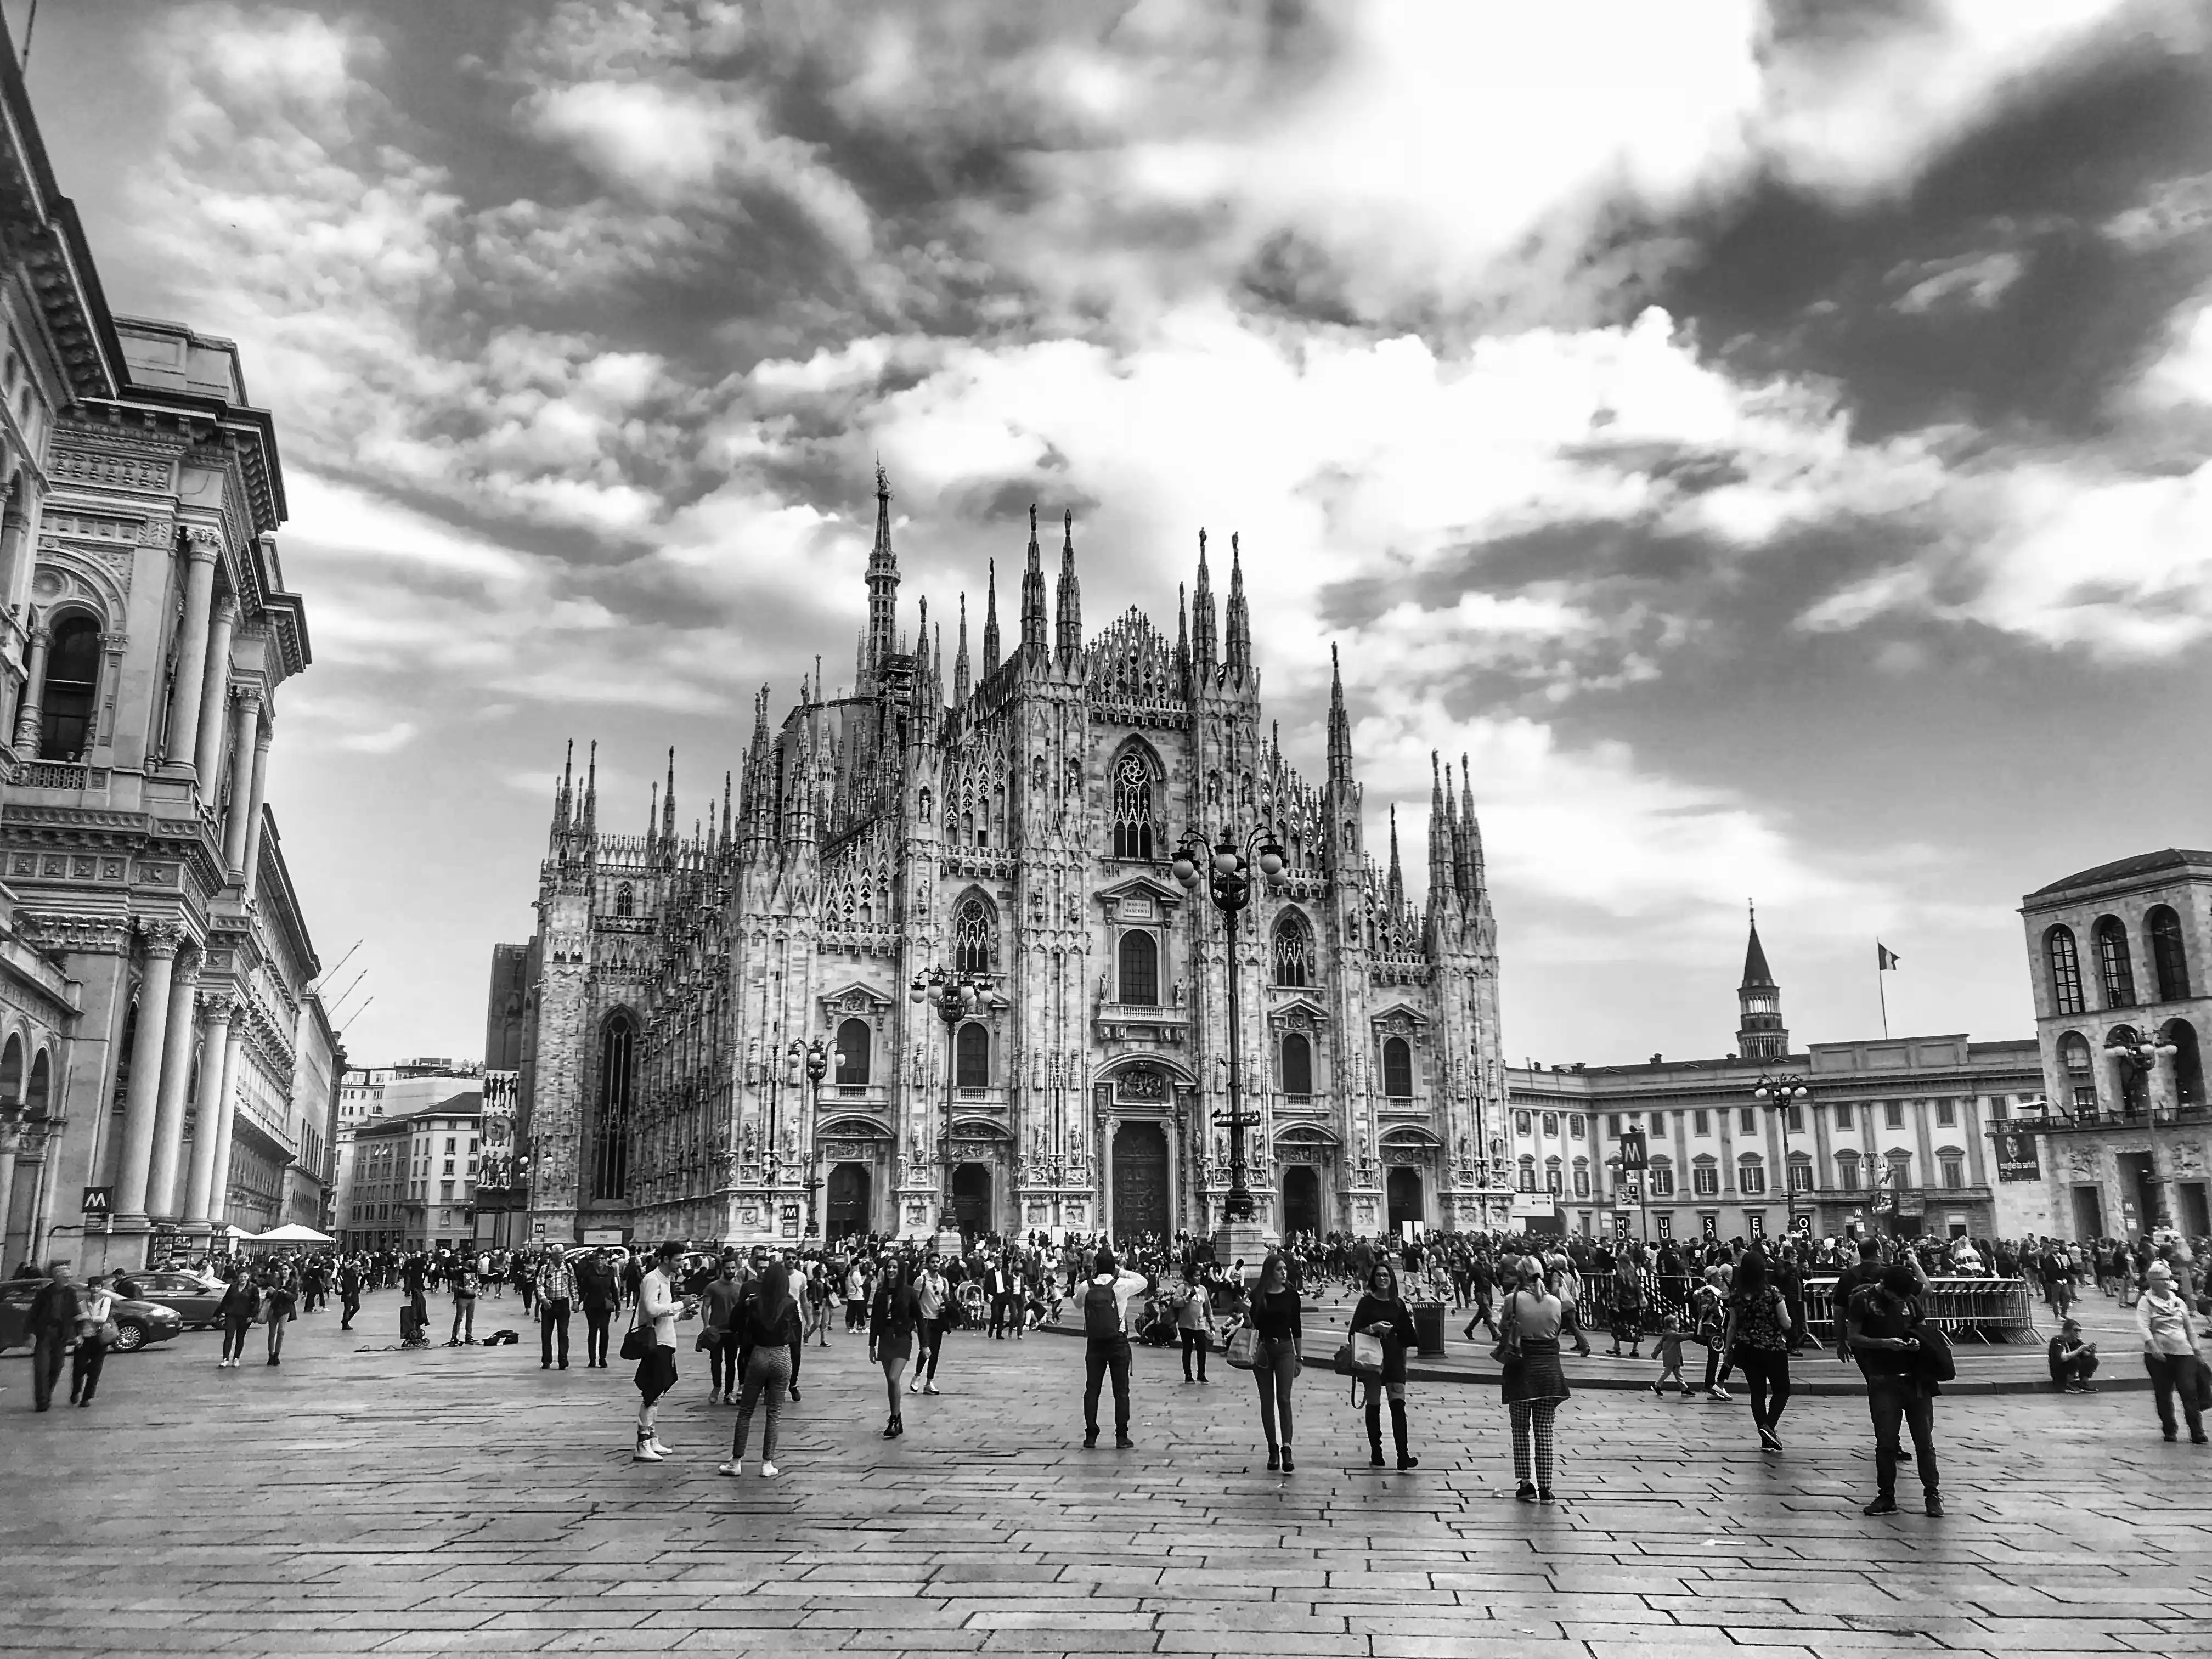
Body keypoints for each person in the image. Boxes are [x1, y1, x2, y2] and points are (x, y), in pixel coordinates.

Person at [1845, 1262, 1943, 1515]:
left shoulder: (1908, 1298)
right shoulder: (1862, 1300)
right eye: (1898, 1296)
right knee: (1886, 1442)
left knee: (1925, 1441)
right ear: (1886, 1289)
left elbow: (1919, 1327)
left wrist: (1914, 1343)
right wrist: (1884, 1344)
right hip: (1883, 1378)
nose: (1903, 1300)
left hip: (1915, 1378)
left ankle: (1932, 1494)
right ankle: (1886, 1496)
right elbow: (1853, 1337)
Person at [721, 1258, 803, 1479]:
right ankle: (767, 1463)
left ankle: (736, 1461)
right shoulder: (790, 1303)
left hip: (759, 1355)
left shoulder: (754, 1302)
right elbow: (796, 1338)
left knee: (746, 1411)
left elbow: (734, 1322)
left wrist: (744, 1308)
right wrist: (794, 1371)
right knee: (774, 1414)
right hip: (782, 1356)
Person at [1498, 1256, 1570, 1502]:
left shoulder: (1513, 1300)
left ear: (1521, 1277)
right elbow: (1556, 1331)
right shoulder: (1555, 1302)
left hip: (1521, 1368)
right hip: (1549, 1370)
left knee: (1520, 1429)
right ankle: (1547, 1488)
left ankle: (1526, 1483)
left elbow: (1502, 1329)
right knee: (1544, 1431)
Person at [1722, 1250, 1796, 1452]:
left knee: (1757, 1393)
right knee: (1782, 1389)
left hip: (1746, 1348)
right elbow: (1786, 1322)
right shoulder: (1772, 1293)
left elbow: (1732, 1325)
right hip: (1772, 1347)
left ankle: (1765, 1438)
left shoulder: (1736, 1295)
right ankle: (1769, 1426)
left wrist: (1729, 1349)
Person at [630, 1241, 697, 1462]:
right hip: (656, 1344)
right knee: (652, 1393)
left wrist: (682, 1315)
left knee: (658, 1393)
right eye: (678, 1259)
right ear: (666, 1259)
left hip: (666, 1342)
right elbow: (651, 1309)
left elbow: (662, 1315)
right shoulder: (652, 1279)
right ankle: (642, 1443)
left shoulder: (666, 1280)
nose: (681, 1263)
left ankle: (651, 1437)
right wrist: (680, 1304)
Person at [1351, 1260, 1420, 1472]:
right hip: (1371, 1357)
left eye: (1386, 1275)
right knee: (1373, 1405)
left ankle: (1403, 1455)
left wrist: (1405, 1364)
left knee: (1398, 1406)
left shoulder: (1398, 1304)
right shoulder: (1367, 1303)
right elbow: (1353, 1332)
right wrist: (1374, 1328)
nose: (1383, 1278)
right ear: (1374, 1279)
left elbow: (1407, 1337)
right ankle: (1377, 1451)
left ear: (1392, 1279)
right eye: (1379, 1275)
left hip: (1394, 1357)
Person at [1079, 1246, 1150, 1449]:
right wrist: (1122, 1271)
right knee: (1121, 1391)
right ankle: (1121, 1436)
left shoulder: (1086, 1286)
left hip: (1095, 1343)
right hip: (1118, 1342)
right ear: (1113, 1268)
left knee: (1092, 1389)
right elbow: (1143, 1281)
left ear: (1095, 1267)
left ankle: (1091, 1436)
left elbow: (1077, 1304)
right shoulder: (1121, 1285)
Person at [1242, 1255, 1302, 1471]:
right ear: (1270, 1272)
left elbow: (1297, 1326)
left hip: (1286, 1349)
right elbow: (1252, 1325)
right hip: (1263, 1351)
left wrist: (1299, 1357)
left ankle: (1287, 1449)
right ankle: (1273, 1450)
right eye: (1279, 1270)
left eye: (1285, 1269)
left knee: (1284, 1399)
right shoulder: (1258, 1295)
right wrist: (1244, 1312)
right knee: (1267, 1401)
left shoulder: (1293, 1295)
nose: (1284, 1273)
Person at [2135, 1260, 2206, 1442]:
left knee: (2189, 1392)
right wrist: (2154, 1348)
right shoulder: (2146, 1301)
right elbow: (2143, 1327)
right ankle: (2170, 1428)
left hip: (2184, 1353)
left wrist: (2196, 1349)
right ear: (2153, 1281)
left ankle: (2197, 1431)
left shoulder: (2178, 1301)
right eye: (2163, 1279)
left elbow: (2189, 1328)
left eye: (2168, 1279)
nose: (2167, 1282)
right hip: (2158, 1355)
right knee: (2164, 1393)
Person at [869, 1257, 921, 1437]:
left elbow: (920, 1319)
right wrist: (871, 1345)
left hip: (902, 1339)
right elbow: (875, 1319)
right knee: (892, 1383)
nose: (891, 1270)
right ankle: (896, 1418)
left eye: (895, 1267)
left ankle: (894, 1419)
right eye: (889, 1267)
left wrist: (925, 1344)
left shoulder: (908, 1292)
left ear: (900, 1271)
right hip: (885, 1338)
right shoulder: (881, 1292)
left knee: (893, 1378)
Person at [24, 1261, 79, 1410]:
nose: (69, 1279)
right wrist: (29, 1334)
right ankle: (42, 1402)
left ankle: (47, 1394)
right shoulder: (44, 1294)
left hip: (61, 1336)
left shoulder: (71, 1294)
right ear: (57, 1277)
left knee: (56, 1367)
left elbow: (76, 1314)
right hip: (45, 1334)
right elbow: (33, 1314)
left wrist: (77, 1334)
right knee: (42, 1368)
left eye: (70, 1277)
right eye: (66, 1277)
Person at [700, 1257, 746, 1405]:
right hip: (716, 1330)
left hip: (732, 1331)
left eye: (733, 1268)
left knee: (731, 1363)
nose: (731, 1271)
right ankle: (716, 1387)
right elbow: (706, 1306)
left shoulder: (740, 1288)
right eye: (728, 1268)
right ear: (722, 1269)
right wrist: (706, 1325)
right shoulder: (712, 1287)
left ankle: (728, 1393)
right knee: (716, 1361)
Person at [70, 1272, 117, 1407]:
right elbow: (76, 1321)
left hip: (100, 1338)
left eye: (98, 1287)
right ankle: (76, 1392)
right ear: (89, 1288)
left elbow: (103, 1318)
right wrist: (77, 1336)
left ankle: (86, 1398)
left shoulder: (105, 1301)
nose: (95, 1290)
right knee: (78, 1368)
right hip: (84, 1339)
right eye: (93, 1287)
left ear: (102, 1288)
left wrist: (87, 1317)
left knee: (95, 1370)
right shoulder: (82, 1303)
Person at [911, 1256, 949, 1396]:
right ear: (928, 1264)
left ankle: (929, 1382)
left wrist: (945, 1307)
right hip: (924, 1320)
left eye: (937, 1262)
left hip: (937, 1320)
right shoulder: (921, 1280)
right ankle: (917, 1375)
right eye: (933, 1262)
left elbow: (946, 1299)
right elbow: (915, 1302)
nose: (935, 1264)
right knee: (925, 1350)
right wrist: (914, 1321)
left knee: (935, 1353)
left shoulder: (943, 1281)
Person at [575, 1248, 618, 1369]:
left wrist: (618, 1305)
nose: (600, 1261)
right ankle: (592, 1359)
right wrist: (578, 1303)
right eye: (598, 1258)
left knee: (604, 1331)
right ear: (593, 1261)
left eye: (602, 1258)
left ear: (606, 1261)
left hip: (605, 1305)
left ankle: (603, 1358)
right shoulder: (588, 1272)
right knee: (593, 1331)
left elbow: (613, 1289)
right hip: (592, 1305)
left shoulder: (610, 1271)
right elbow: (583, 1289)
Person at [536, 1245, 577, 1370]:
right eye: (559, 1253)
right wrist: (543, 1299)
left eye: (562, 1253)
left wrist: (575, 1301)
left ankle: (563, 1360)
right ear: (553, 1255)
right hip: (549, 1304)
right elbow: (539, 1285)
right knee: (546, 1334)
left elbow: (573, 1285)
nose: (562, 1255)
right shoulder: (546, 1268)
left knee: (563, 1333)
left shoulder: (569, 1268)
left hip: (563, 1303)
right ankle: (547, 1360)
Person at [1173, 1270, 1216, 1386]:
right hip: (1185, 1324)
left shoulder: (1203, 1290)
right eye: (1196, 1275)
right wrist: (1189, 1296)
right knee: (1187, 1349)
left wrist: (1211, 1322)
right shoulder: (1182, 1288)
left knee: (1202, 1349)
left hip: (1200, 1324)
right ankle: (1188, 1375)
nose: (1199, 1277)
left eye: (1199, 1275)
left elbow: (1207, 1307)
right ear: (1190, 1277)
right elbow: (1176, 1303)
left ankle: (1201, 1374)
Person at [216, 1268, 259, 1369]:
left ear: (248, 1277)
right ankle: (225, 1359)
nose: (243, 1279)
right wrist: (218, 1313)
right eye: (241, 1277)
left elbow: (256, 1302)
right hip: (232, 1315)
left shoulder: (253, 1287)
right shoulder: (233, 1287)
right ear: (238, 1277)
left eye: (245, 1277)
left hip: (245, 1316)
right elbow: (226, 1300)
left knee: (240, 1337)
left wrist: (253, 1316)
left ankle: (236, 1358)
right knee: (229, 1336)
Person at [2047, 1316, 2099, 1392]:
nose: (2078, 1333)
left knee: (2092, 1360)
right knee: (2074, 1360)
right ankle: (2067, 1383)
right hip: (2058, 1370)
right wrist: (2079, 1350)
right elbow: (2063, 1358)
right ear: (2068, 1331)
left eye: (2079, 1331)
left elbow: (2087, 1355)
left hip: (2070, 1368)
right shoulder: (2058, 1341)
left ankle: (2084, 1382)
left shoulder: (2076, 1341)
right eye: (2076, 1330)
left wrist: (2092, 1351)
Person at [1650, 1309, 1692, 1398]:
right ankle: (1657, 1385)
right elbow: (1684, 1336)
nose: (1679, 1325)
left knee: (1678, 1374)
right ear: (1672, 1325)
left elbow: (1660, 1345)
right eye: (1677, 1323)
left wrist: (1655, 1353)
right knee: (1666, 1373)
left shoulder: (1667, 1334)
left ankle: (1684, 1388)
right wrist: (1695, 1334)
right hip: (1672, 1358)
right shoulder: (1673, 1335)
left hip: (1672, 1358)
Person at [262, 1272, 298, 1365]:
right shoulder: (275, 1281)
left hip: (285, 1309)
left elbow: (295, 1297)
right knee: (272, 1333)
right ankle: (271, 1355)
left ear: (290, 1270)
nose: (284, 1271)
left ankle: (277, 1355)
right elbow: (268, 1296)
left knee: (281, 1331)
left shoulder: (293, 1283)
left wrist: (286, 1293)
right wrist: (273, 1293)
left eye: (286, 1269)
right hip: (274, 1309)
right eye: (282, 1269)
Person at [448, 1260, 478, 1345]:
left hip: (472, 1297)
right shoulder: (459, 1273)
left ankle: (469, 1336)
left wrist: (476, 1286)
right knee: (459, 1318)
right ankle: (454, 1337)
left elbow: (475, 1283)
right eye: (472, 1261)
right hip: (463, 1297)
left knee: (470, 1318)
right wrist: (463, 1290)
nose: (474, 1263)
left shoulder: (473, 1272)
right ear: (467, 1262)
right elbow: (454, 1286)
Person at [338, 1259, 362, 1331]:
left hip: (354, 1293)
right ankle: (345, 1324)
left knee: (357, 1307)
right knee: (348, 1309)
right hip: (349, 1294)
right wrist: (349, 1292)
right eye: (357, 1266)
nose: (359, 1268)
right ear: (353, 1266)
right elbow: (346, 1284)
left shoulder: (354, 1273)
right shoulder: (349, 1274)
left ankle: (345, 1321)